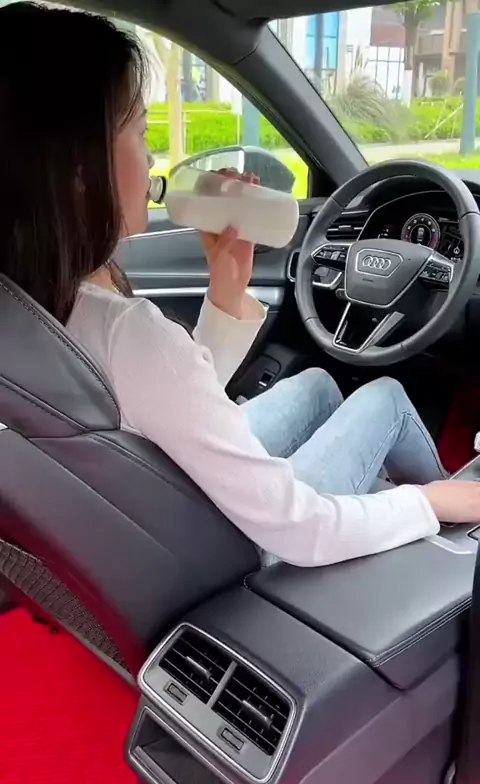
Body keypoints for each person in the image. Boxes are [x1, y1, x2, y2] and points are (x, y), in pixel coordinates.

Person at [0, 3, 479, 570]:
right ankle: (458, 546)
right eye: (141, 131)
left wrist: (227, 289)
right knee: (387, 402)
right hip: (240, 550)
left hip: (158, 514)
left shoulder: (29, 306)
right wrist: (428, 502)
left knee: (319, 387)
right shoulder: (127, 332)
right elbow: (302, 530)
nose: (151, 157)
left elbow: (163, 403)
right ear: (80, 168)